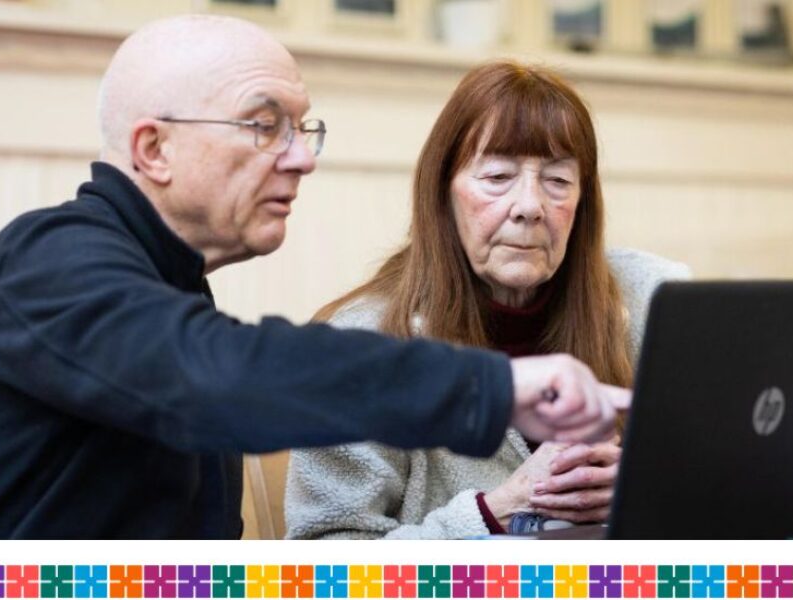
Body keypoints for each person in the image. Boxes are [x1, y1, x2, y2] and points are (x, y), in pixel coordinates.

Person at [0, 18, 628, 539]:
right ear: (153, 149)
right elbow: (218, 375)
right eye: (265, 125)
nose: (302, 158)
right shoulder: (47, 262)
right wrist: (497, 388)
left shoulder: (165, 282)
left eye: (302, 128)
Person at [285, 61, 690, 539]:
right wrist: (493, 512)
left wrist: (646, 487)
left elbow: (739, 486)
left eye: (557, 181)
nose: (529, 207)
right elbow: (320, 568)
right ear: (443, 194)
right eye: (497, 176)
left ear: (583, 205)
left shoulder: (654, 304)